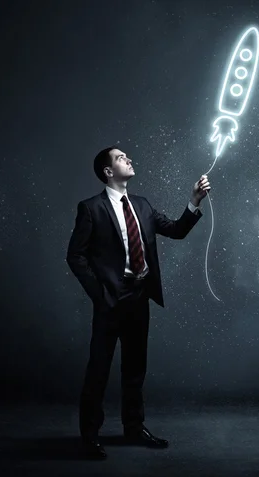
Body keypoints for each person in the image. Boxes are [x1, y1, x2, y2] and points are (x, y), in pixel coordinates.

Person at [66, 146, 210, 459]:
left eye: (128, 156)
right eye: (121, 158)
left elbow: (175, 230)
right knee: (99, 370)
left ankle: (134, 428)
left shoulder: (142, 205)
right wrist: (99, 293)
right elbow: (75, 255)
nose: (129, 159)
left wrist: (194, 202)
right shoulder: (91, 208)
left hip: (139, 299)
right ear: (108, 171)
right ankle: (89, 435)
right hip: (110, 302)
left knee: (135, 369)